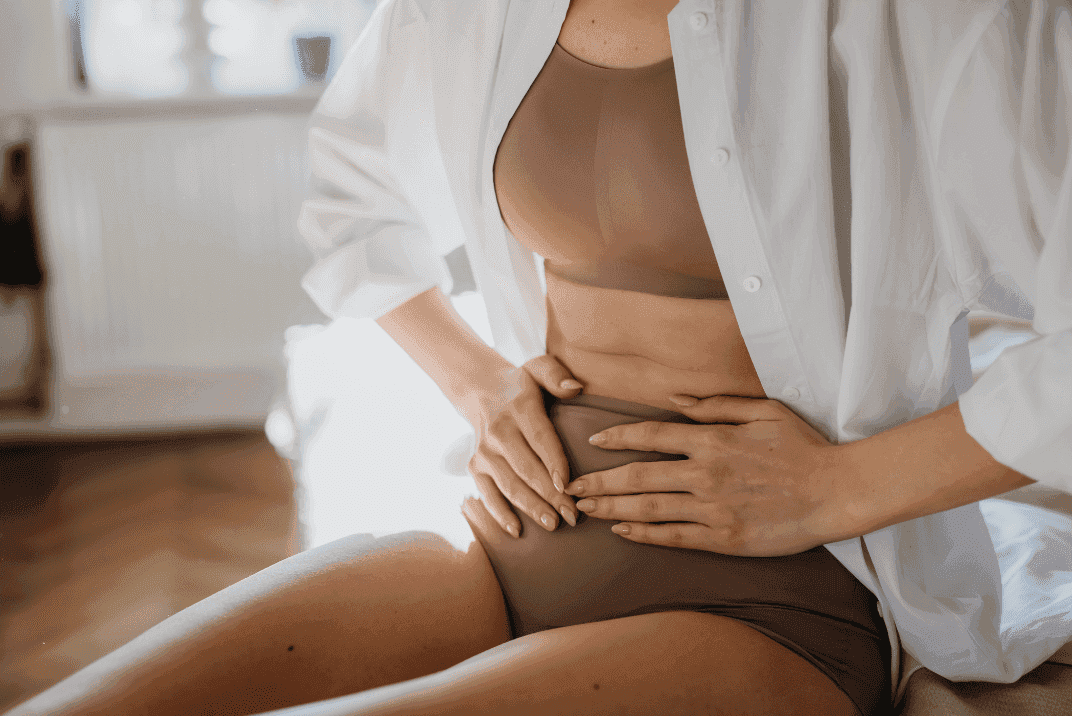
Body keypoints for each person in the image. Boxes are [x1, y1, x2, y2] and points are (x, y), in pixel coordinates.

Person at [7, 0, 1072, 714]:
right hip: (510, 538)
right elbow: (353, 205)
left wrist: (838, 487)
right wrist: (478, 383)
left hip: (780, 599)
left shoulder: (936, 20)